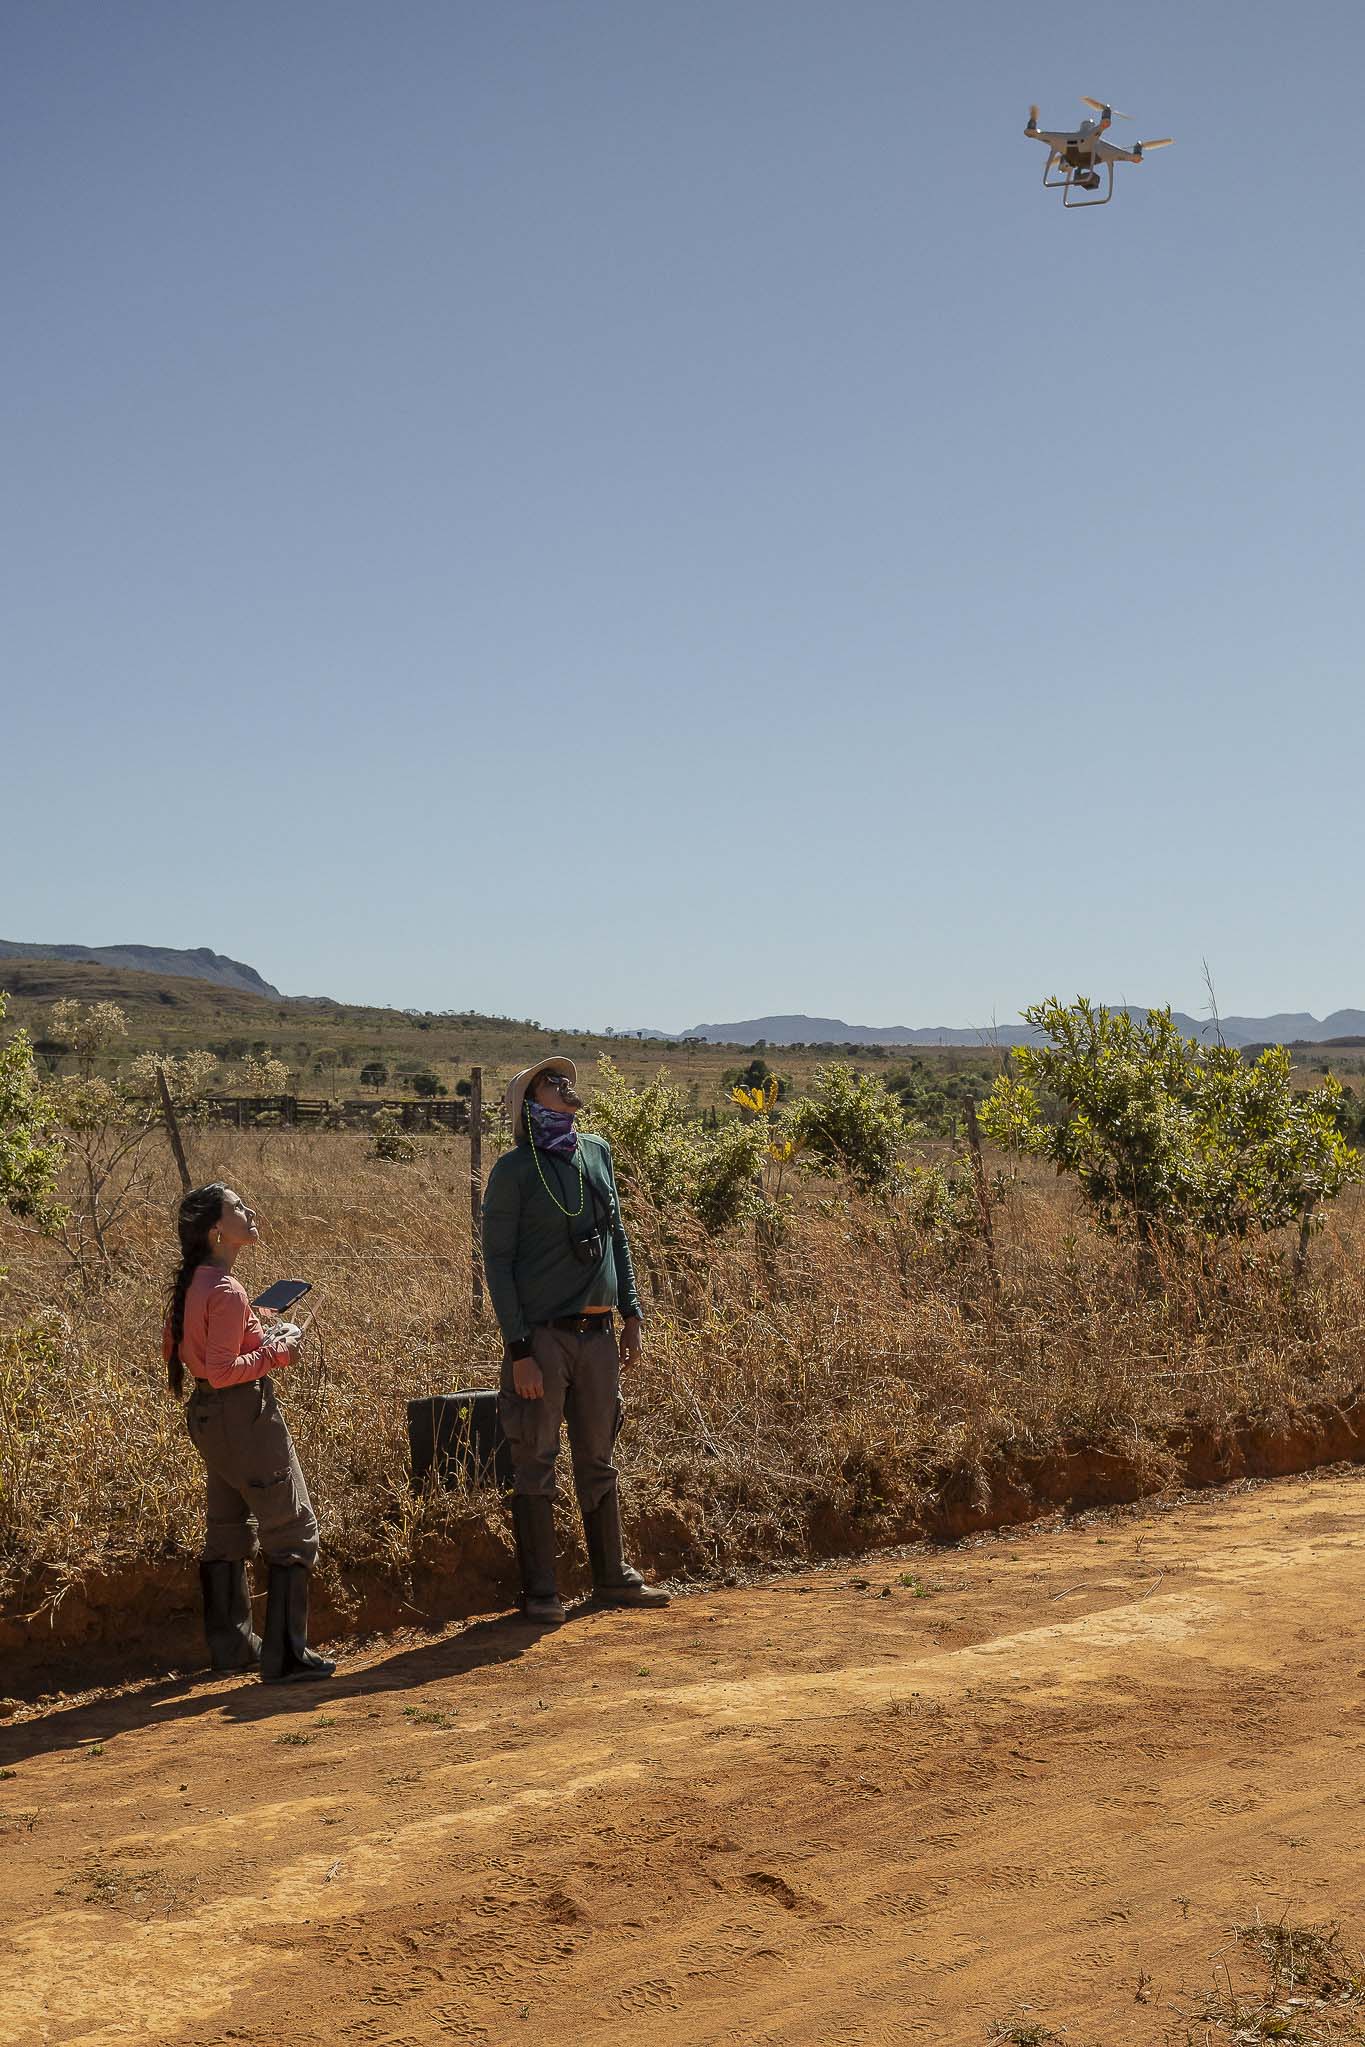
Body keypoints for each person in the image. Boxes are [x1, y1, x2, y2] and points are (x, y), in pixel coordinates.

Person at [481, 1058, 670, 1624]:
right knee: (536, 1458)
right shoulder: (514, 1170)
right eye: (551, 1081)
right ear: (528, 1103)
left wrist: (632, 1311)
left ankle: (612, 1578)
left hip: (599, 1334)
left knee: (599, 1455)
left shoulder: (597, 1152)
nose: (567, 1086)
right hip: (543, 1338)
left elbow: (617, 1238)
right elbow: (499, 1263)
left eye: (567, 1078)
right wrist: (519, 1350)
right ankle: (541, 1593)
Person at [164, 1183, 335, 1684]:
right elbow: (222, 1369)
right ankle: (285, 1657)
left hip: (209, 1419)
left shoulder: (195, 1283)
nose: (250, 1211)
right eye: (238, 1207)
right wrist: (279, 1353)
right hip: (244, 1416)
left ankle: (233, 1645)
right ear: (217, 1230)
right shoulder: (225, 1288)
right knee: (293, 1530)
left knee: (227, 1529)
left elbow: (194, 1359)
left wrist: (260, 1332)